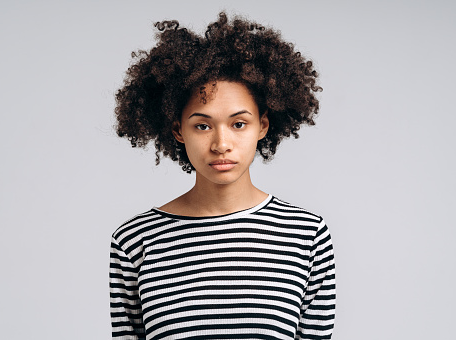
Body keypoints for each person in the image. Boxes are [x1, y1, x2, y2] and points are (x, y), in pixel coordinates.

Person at [109, 12, 336, 339]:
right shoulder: (134, 242)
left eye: (238, 123)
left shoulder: (306, 235)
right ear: (178, 130)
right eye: (202, 125)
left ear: (263, 126)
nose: (221, 144)